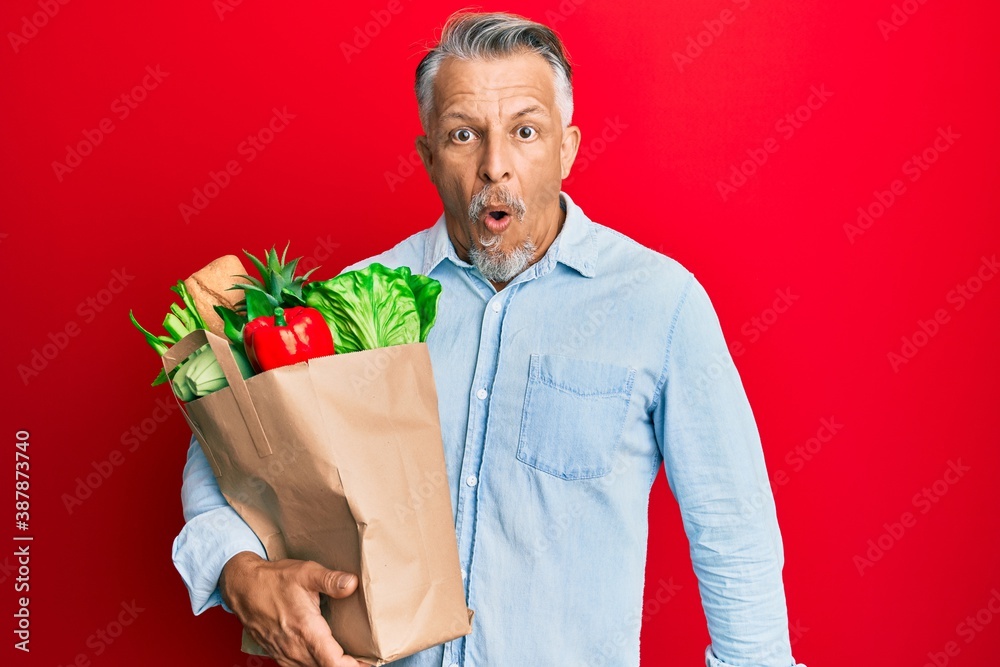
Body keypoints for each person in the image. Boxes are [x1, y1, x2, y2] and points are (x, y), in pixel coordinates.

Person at [172, 11, 806, 667]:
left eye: (525, 132)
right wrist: (237, 569)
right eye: (463, 135)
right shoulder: (354, 303)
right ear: (427, 156)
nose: (495, 166)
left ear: (567, 147)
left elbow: (732, 528)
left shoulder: (659, 303)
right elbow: (227, 452)